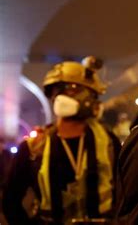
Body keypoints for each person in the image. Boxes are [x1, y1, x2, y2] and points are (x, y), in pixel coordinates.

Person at [3, 56, 121, 224]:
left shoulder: (108, 142)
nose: (60, 97)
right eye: (58, 90)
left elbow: (125, 192)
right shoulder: (33, 148)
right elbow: (11, 201)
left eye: (73, 89)